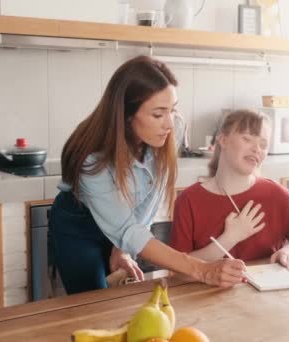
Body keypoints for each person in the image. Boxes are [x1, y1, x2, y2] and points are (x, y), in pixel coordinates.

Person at [49, 56, 246, 295]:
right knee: (91, 302)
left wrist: (121, 248)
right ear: (127, 114)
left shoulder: (169, 132)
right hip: (80, 227)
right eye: (158, 114)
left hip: (124, 219)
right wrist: (203, 270)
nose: (169, 124)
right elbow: (126, 230)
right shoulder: (90, 156)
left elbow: (150, 200)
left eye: (172, 110)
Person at [170, 109, 289, 272]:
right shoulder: (189, 200)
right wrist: (230, 238)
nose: (257, 149)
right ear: (223, 140)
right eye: (247, 139)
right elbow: (178, 270)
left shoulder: (275, 195)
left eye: (263, 144)